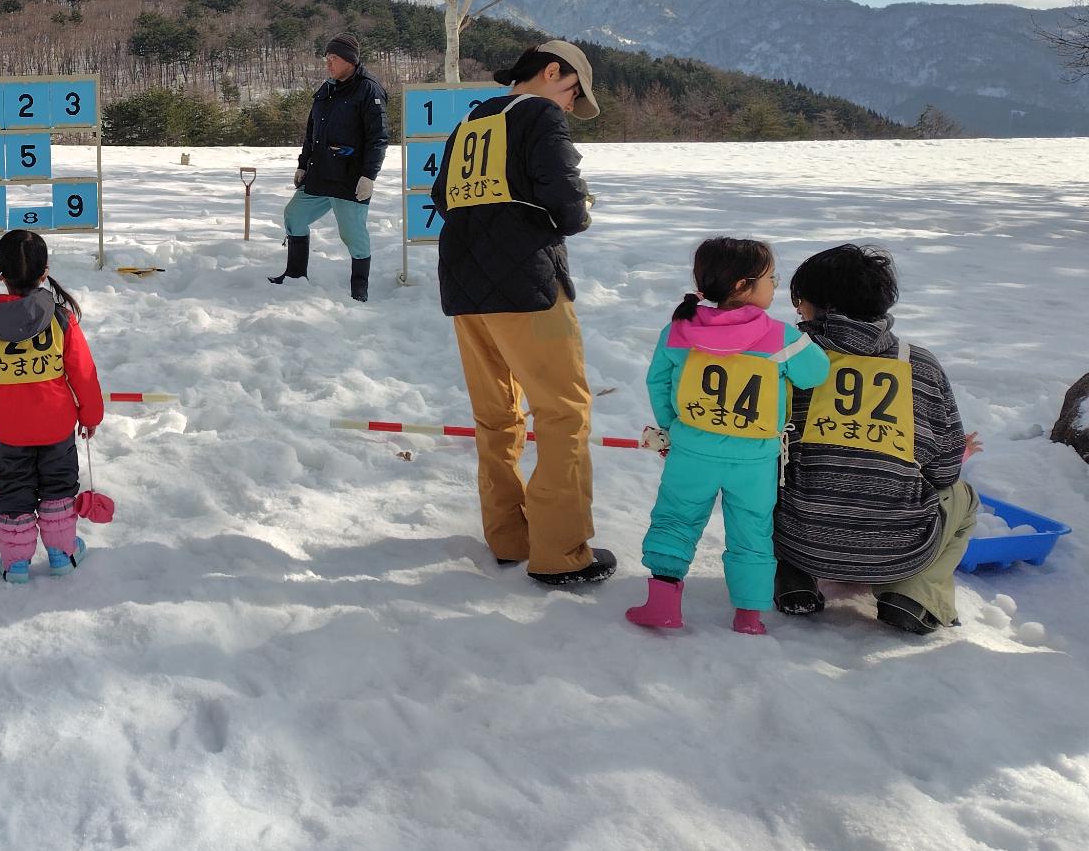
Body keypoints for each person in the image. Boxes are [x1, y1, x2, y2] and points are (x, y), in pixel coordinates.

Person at [429, 40, 612, 585]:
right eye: (571, 92)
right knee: (562, 413)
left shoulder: (471, 121)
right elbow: (568, 207)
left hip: (465, 286)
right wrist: (580, 207)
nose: (567, 106)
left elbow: (443, 198)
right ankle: (561, 551)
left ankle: (508, 536)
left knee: (496, 415)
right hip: (526, 286)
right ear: (552, 71)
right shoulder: (539, 116)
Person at [626, 238, 832, 636]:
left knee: (674, 519)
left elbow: (658, 382)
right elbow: (816, 374)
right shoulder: (782, 338)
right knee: (752, 530)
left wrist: (673, 429)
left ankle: (662, 602)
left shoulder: (679, 330)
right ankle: (748, 615)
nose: (776, 286)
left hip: (691, 452)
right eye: (771, 278)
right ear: (742, 285)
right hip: (754, 461)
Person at [774, 244, 980, 635]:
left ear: (818, 305)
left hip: (797, 537)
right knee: (964, 495)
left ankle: (792, 572)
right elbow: (945, 469)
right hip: (900, 550)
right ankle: (914, 593)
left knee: (765, 472)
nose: (797, 310)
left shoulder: (791, 359)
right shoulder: (918, 363)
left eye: (799, 301)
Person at [0, 230, 105, 584]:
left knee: (16, 487)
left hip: (8, 429)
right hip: (56, 423)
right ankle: (60, 554)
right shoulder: (60, 318)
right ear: (45, 272)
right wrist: (91, 414)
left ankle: (16, 563)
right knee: (58, 487)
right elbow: (83, 372)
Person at [269, 34, 389, 302]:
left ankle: (360, 287)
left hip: (350, 178)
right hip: (321, 173)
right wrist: (303, 165)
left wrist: (369, 176)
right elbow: (313, 130)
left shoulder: (369, 90)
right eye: (327, 58)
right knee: (294, 216)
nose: (328, 64)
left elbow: (378, 138)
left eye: (333, 58)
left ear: (350, 60)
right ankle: (295, 276)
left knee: (352, 234)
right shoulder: (327, 89)